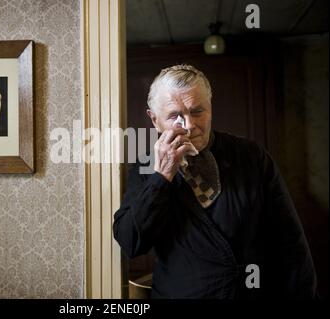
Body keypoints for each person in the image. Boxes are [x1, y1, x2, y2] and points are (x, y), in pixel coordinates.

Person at [113, 64, 317, 299]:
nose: (189, 125)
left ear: (210, 108)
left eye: (197, 111)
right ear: (155, 120)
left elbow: (290, 242)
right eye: (174, 116)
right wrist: (162, 177)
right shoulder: (145, 168)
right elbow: (131, 242)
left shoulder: (251, 156)